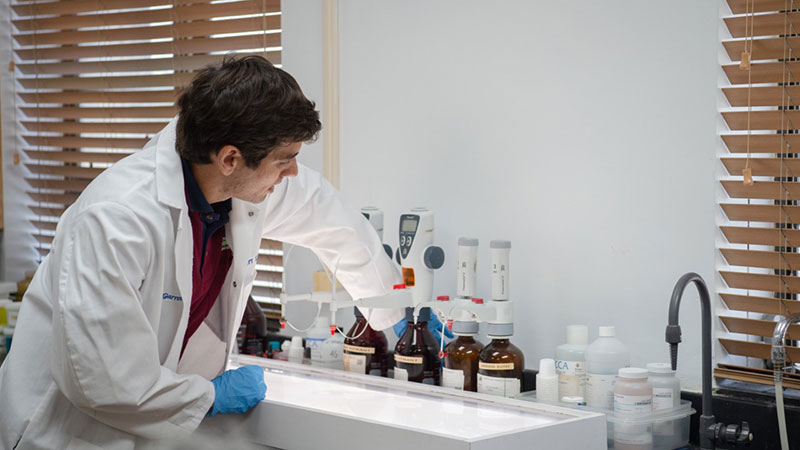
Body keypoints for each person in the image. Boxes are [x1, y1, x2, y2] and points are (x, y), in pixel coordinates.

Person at [0, 55, 412, 450]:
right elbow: (104, 380)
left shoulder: (240, 185)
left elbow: (332, 220)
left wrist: (390, 317)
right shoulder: (117, 218)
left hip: (152, 423)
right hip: (64, 433)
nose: (292, 174)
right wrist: (209, 397)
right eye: (285, 160)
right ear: (230, 158)